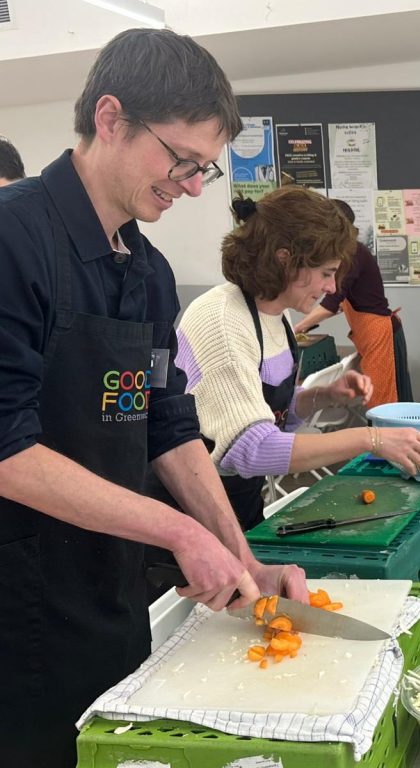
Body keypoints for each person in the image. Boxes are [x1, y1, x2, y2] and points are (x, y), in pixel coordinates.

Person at [0, 29, 310, 766]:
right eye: (182, 161)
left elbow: (168, 426)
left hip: (113, 591)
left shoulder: (148, 269)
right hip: (19, 609)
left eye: (204, 168)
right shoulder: (15, 239)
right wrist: (178, 533)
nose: (194, 186)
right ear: (111, 119)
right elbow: (6, 450)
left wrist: (244, 560)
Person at [174, 186, 420, 530]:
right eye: (327, 272)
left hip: (240, 502)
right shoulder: (222, 320)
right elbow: (250, 450)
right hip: (194, 513)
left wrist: (322, 395)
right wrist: (371, 439)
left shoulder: (278, 316)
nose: (332, 288)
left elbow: (273, 415)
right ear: (285, 258)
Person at [293, 198, 413, 404]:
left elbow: (332, 303)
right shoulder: (348, 252)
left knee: (384, 403)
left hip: (380, 334)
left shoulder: (351, 253)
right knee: (380, 400)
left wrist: (298, 327)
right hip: (372, 333)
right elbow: (340, 300)